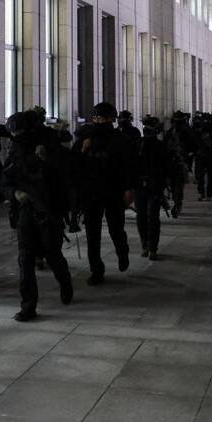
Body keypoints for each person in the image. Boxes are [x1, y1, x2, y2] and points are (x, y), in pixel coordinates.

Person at [1, 110, 74, 321]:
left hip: (50, 210)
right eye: (13, 133)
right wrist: (14, 193)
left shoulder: (49, 146)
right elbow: (4, 182)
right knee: (25, 259)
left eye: (19, 133)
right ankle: (28, 306)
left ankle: (65, 284)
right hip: (25, 211)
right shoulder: (15, 152)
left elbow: (69, 171)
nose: (16, 137)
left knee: (52, 254)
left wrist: (49, 159)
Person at [72, 102, 136, 285]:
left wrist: (129, 189)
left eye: (100, 118)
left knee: (116, 229)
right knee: (92, 235)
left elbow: (129, 166)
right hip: (91, 192)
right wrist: (82, 150)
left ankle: (122, 253)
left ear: (111, 119)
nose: (96, 121)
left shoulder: (120, 140)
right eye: (94, 117)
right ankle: (96, 270)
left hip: (113, 191)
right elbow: (74, 163)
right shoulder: (85, 138)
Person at [136, 116, 172, 260]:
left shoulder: (160, 146)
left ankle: (151, 248)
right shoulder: (139, 144)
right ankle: (146, 245)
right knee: (143, 217)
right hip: (142, 186)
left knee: (151, 217)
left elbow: (167, 167)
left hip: (154, 186)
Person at [194, 119, 212, 201]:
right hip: (210, 158)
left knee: (201, 177)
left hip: (202, 158)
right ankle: (208, 195)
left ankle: (202, 194)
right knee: (210, 178)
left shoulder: (201, 135)